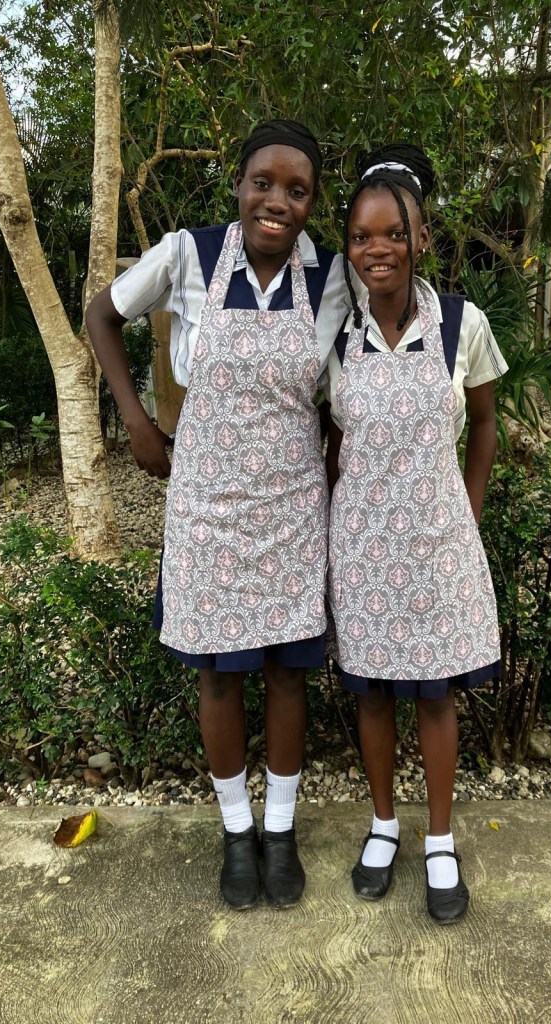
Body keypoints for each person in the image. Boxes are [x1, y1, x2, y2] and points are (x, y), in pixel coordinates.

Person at [86, 120, 351, 911]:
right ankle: (236, 833)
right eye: (263, 183)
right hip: (206, 505)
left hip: (292, 507)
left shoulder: (330, 278)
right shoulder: (187, 255)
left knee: (288, 676)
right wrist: (135, 421)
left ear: (311, 204)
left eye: (297, 190)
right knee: (218, 676)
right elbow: (102, 315)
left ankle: (281, 829)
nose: (277, 201)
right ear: (238, 185)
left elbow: (344, 389)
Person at [323, 144, 507, 924]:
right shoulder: (337, 334)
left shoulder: (462, 323)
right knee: (371, 695)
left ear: (422, 238)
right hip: (362, 548)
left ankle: (438, 839)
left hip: (437, 546)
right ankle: (382, 825)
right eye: (362, 237)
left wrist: (468, 513)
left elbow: (486, 423)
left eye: (394, 234)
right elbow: (331, 444)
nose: (378, 250)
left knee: (434, 696)